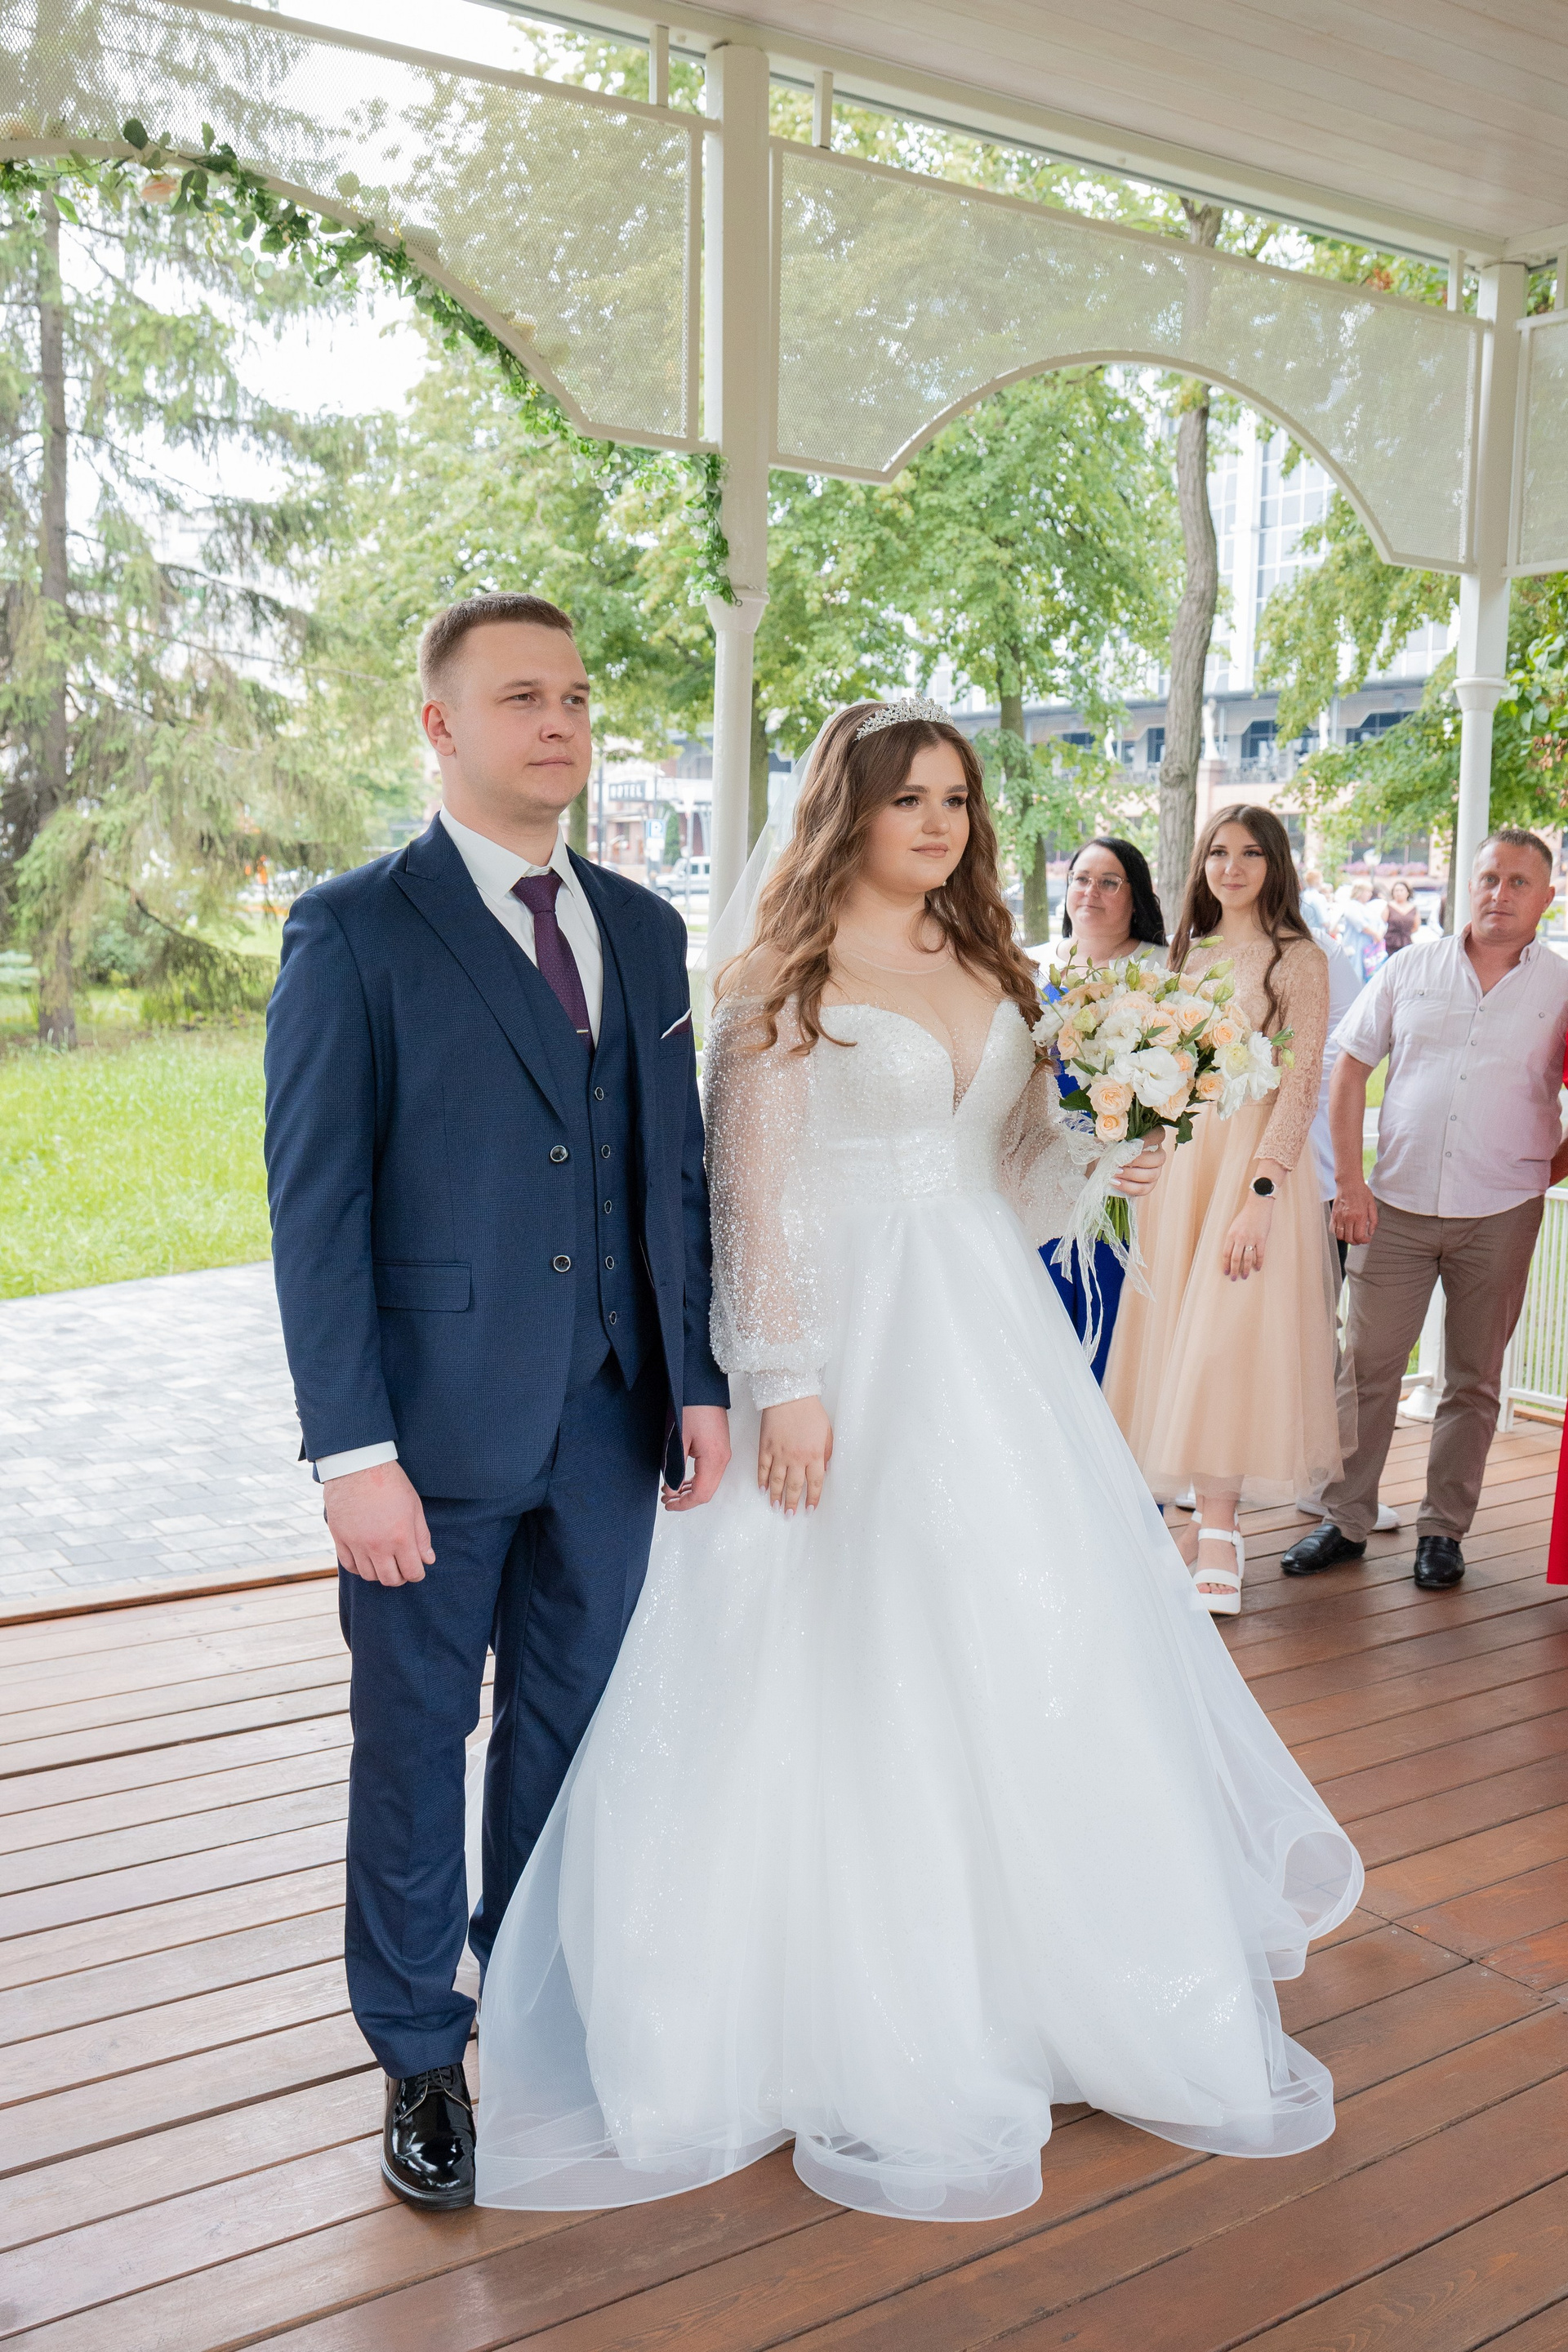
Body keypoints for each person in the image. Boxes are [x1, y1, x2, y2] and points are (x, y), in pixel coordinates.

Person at [472, 700, 1361, 2225]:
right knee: (833, 1642)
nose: (939, 823)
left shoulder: (994, 966)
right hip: (839, 1342)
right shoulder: (781, 977)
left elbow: (1011, 1180)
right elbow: (749, 1199)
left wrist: (1104, 1152)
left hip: (986, 1335)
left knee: (1021, 1633)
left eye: (956, 798)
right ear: (851, 812)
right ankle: (798, 2005)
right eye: (908, 799)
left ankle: (1044, 1979)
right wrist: (787, 1382)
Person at [263, 592, 732, 2212]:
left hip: (612, 1415)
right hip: (428, 1430)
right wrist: (352, 1453)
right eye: (522, 697)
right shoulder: (355, 930)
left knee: (572, 1726)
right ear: (439, 725)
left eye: (577, 697)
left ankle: (527, 1994)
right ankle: (416, 2047)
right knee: (414, 1740)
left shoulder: (645, 929)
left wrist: (699, 1383)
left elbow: (673, 1176)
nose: (560, 723)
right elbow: (316, 1211)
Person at [1283, 828, 1568, 1592]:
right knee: (1366, 1369)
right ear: (1468, 884)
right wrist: (1351, 1182)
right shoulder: (1410, 968)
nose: (1499, 893)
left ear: (1547, 897)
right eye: (1489, 878)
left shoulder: (1561, 987)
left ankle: (1444, 1531)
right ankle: (1344, 1519)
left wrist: (1539, 1175)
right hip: (1395, 1206)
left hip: (1502, 1212)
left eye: (1518, 882)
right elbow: (1349, 1072)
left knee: (1474, 1380)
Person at [1103, 806, 1339, 1614]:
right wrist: (1147, 1145)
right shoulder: (1186, 952)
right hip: (1185, 1166)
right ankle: (1190, 1526)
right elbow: (1167, 1069)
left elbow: (1300, 1087)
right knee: (1176, 1341)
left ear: (1275, 865)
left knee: (1226, 1344)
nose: (1231, 867)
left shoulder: (1299, 959)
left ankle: (1221, 1533)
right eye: (1217, 853)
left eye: (1249, 854)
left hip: (1251, 1169)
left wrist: (1261, 1196)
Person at [1040, 835, 1167, 1379]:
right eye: (1081, 879)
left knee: (1111, 1324)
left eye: (1109, 882)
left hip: (1128, 1171)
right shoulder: (1031, 965)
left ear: (1135, 896)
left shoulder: (1161, 970)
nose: (1090, 891)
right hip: (1042, 1162)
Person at [1334, 878, 1384, 982]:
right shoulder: (1351, 905)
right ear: (1359, 891)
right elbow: (1360, 924)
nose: (1370, 894)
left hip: (1370, 949)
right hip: (1356, 947)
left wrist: (1379, 933)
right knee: (1355, 976)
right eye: (1367, 891)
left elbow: (1381, 923)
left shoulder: (1369, 907)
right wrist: (1375, 934)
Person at [1382, 877, 1419, 955]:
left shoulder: (1413, 908)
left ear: (1407, 892)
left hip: (1407, 942)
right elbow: (1382, 923)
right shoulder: (1389, 906)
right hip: (1391, 943)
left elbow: (1416, 927)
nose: (1399, 893)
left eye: (1401, 890)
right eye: (1396, 891)